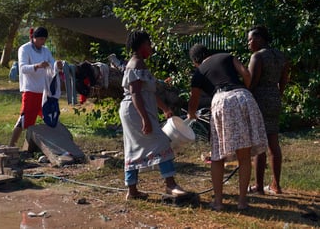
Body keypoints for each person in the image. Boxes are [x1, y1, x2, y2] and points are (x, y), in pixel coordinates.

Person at [187, 43, 267, 211]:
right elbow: (246, 74)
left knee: (217, 155)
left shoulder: (199, 71)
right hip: (244, 96)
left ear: (196, 61)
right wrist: (245, 89)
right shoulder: (226, 56)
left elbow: (194, 100)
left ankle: (218, 202)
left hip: (222, 100)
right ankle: (242, 201)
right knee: (244, 156)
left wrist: (191, 114)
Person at [119, 30, 186, 201]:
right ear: (141, 46)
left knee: (132, 147)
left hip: (134, 110)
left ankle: (132, 190)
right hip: (135, 111)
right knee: (161, 141)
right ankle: (170, 184)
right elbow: (135, 93)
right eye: (149, 44)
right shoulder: (136, 64)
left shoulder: (140, 64)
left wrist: (164, 109)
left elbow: (148, 91)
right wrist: (145, 119)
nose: (151, 48)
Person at [247, 25, 289, 195]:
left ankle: (258, 186)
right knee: (273, 142)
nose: (249, 43)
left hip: (260, 100)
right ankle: (276, 185)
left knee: (259, 145)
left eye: (250, 39)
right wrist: (277, 94)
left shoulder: (257, 57)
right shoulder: (281, 56)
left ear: (259, 39)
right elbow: (284, 80)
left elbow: (252, 83)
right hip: (274, 98)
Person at [9, 27, 55, 147]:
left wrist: (58, 65)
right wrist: (37, 65)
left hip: (44, 90)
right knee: (24, 119)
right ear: (33, 38)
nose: (42, 42)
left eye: (44, 39)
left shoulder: (45, 50)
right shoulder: (24, 49)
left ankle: (48, 146)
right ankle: (11, 145)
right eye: (40, 39)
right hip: (30, 89)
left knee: (49, 118)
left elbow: (53, 64)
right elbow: (23, 68)